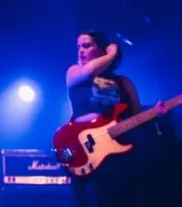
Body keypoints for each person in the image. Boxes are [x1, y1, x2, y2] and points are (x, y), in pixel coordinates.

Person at [65, 31, 165, 207]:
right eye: (78, 47)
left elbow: (136, 116)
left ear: (100, 49)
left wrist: (155, 113)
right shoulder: (74, 72)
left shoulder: (124, 82)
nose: (80, 51)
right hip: (87, 154)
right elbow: (89, 72)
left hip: (120, 154)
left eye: (86, 46)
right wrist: (111, 54)